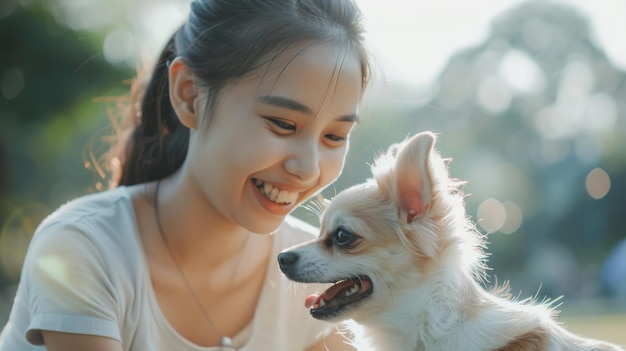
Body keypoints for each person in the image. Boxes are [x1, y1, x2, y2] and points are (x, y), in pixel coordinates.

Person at [0, 0, 370, 350]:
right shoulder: (83, 247)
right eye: (283, 124)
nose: (308, 168)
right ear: (189, 95)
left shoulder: (318, 271)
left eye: (334, 136)